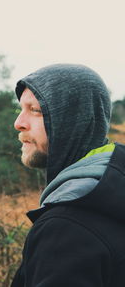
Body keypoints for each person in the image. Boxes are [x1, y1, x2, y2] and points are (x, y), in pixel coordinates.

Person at [10, 64, 125, 286]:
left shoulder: (65, 228)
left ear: (72, 121)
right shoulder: (113, 188)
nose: (19, 123)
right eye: (20, 110)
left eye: (35, 110)